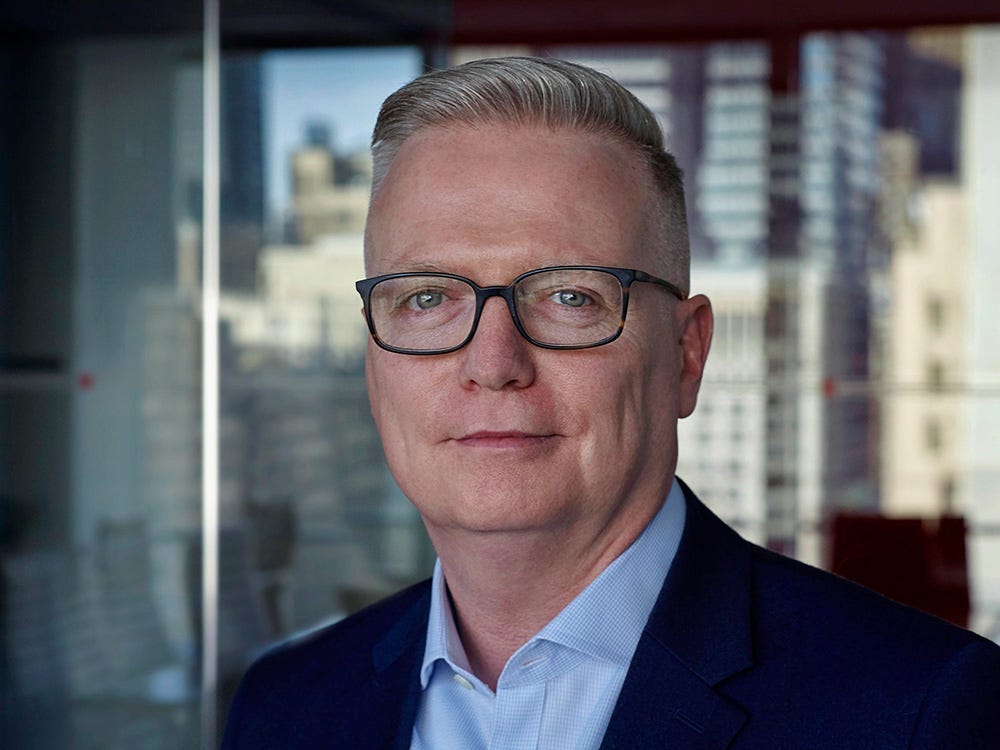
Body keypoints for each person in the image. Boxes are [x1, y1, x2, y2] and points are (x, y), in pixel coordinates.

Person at [222, 56, 1000, 749]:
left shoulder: (922, 713)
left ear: (687, 355)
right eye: (427, 298)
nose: (493, 364)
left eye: (570, 296)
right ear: (373, 361)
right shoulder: (287, 706)